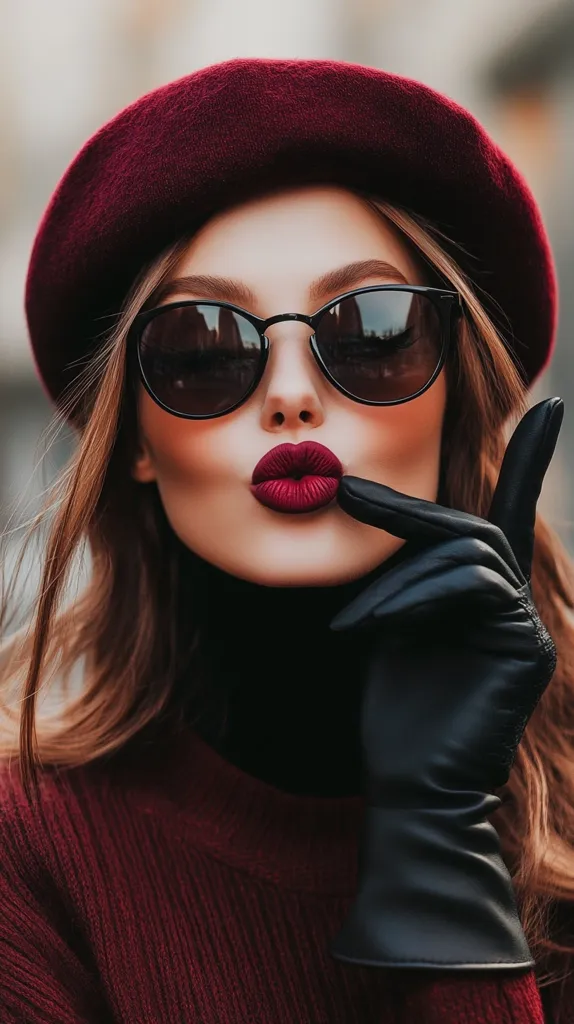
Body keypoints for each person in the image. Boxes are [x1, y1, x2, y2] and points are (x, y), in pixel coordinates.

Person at [1, 56, 574, 1024]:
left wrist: (441, 844)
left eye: (370, 332)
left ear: (456, 396)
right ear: (134, 438)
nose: (291, 392)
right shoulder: (28, 846)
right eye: (203, 349)